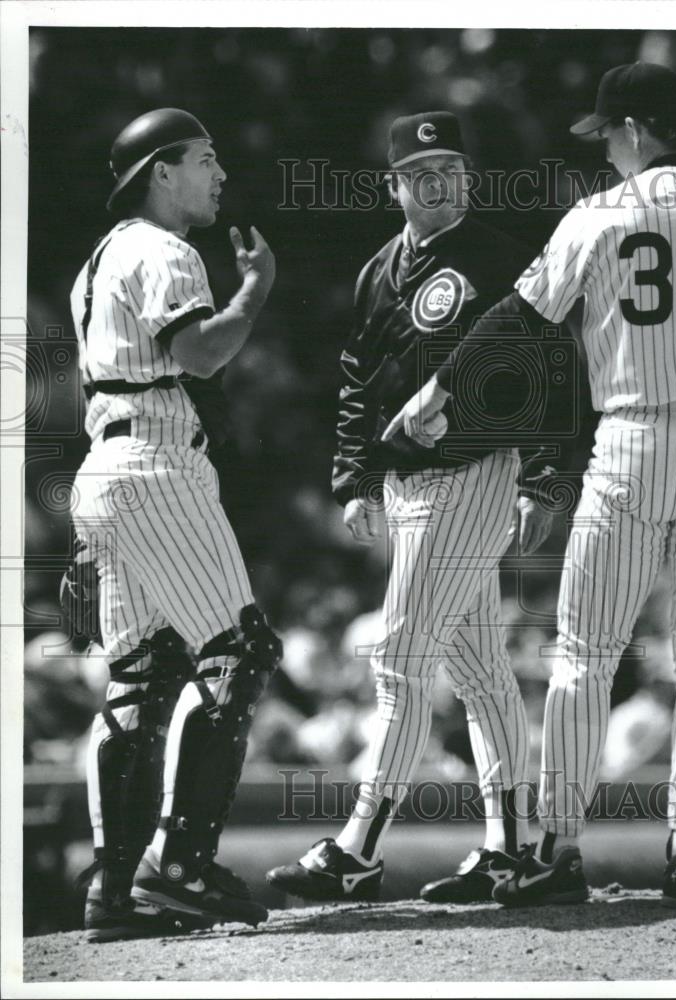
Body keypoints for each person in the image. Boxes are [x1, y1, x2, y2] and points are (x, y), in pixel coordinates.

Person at [385, 63, 676, 907]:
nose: (608, 152)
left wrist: (438, 389)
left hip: (632, 438)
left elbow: (519, 319)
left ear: (632, 130)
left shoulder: (599, 214)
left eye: (609, 137)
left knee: (584, 655)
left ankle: (557, 847)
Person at [266, 111, 554, 904]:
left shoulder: (497, 257)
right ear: (394, 185)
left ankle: (357, 846)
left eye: (451, 169)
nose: (439, 182)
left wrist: (542, 475)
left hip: (471, 472)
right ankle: (513, 849)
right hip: (405, 485)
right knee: (477, 668)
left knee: (397, 656)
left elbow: (548, 370)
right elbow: (359, 381)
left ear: (468, 176)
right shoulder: (378, 270)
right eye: (421, 172)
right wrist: (353, 478)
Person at [68, 108, 282, 941]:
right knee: (240, 652)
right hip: (156, 463)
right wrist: (256, 291)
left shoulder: (101, 258)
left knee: (144, 673)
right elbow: (198, 355)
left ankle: (113, 889)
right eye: (204, 157)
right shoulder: (164, 249)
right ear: (162, 171)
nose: (219, 172)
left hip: (106, 469)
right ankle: (181, 866)